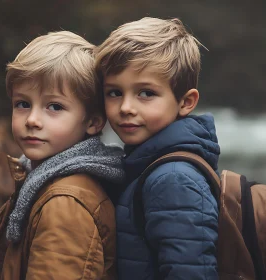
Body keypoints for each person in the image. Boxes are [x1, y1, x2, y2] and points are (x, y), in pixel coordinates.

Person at [0, 31, 125, 280]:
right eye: (23, 104)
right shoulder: (41, 178)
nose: (32, 120)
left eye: (55, 107)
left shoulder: (66, 203)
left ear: (93, 122)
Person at [94, 17, 220, 279]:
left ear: (186, 102)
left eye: (146, 93)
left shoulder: (173, 179)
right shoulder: (144, 164)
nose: (126, 107)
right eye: (114, 93)